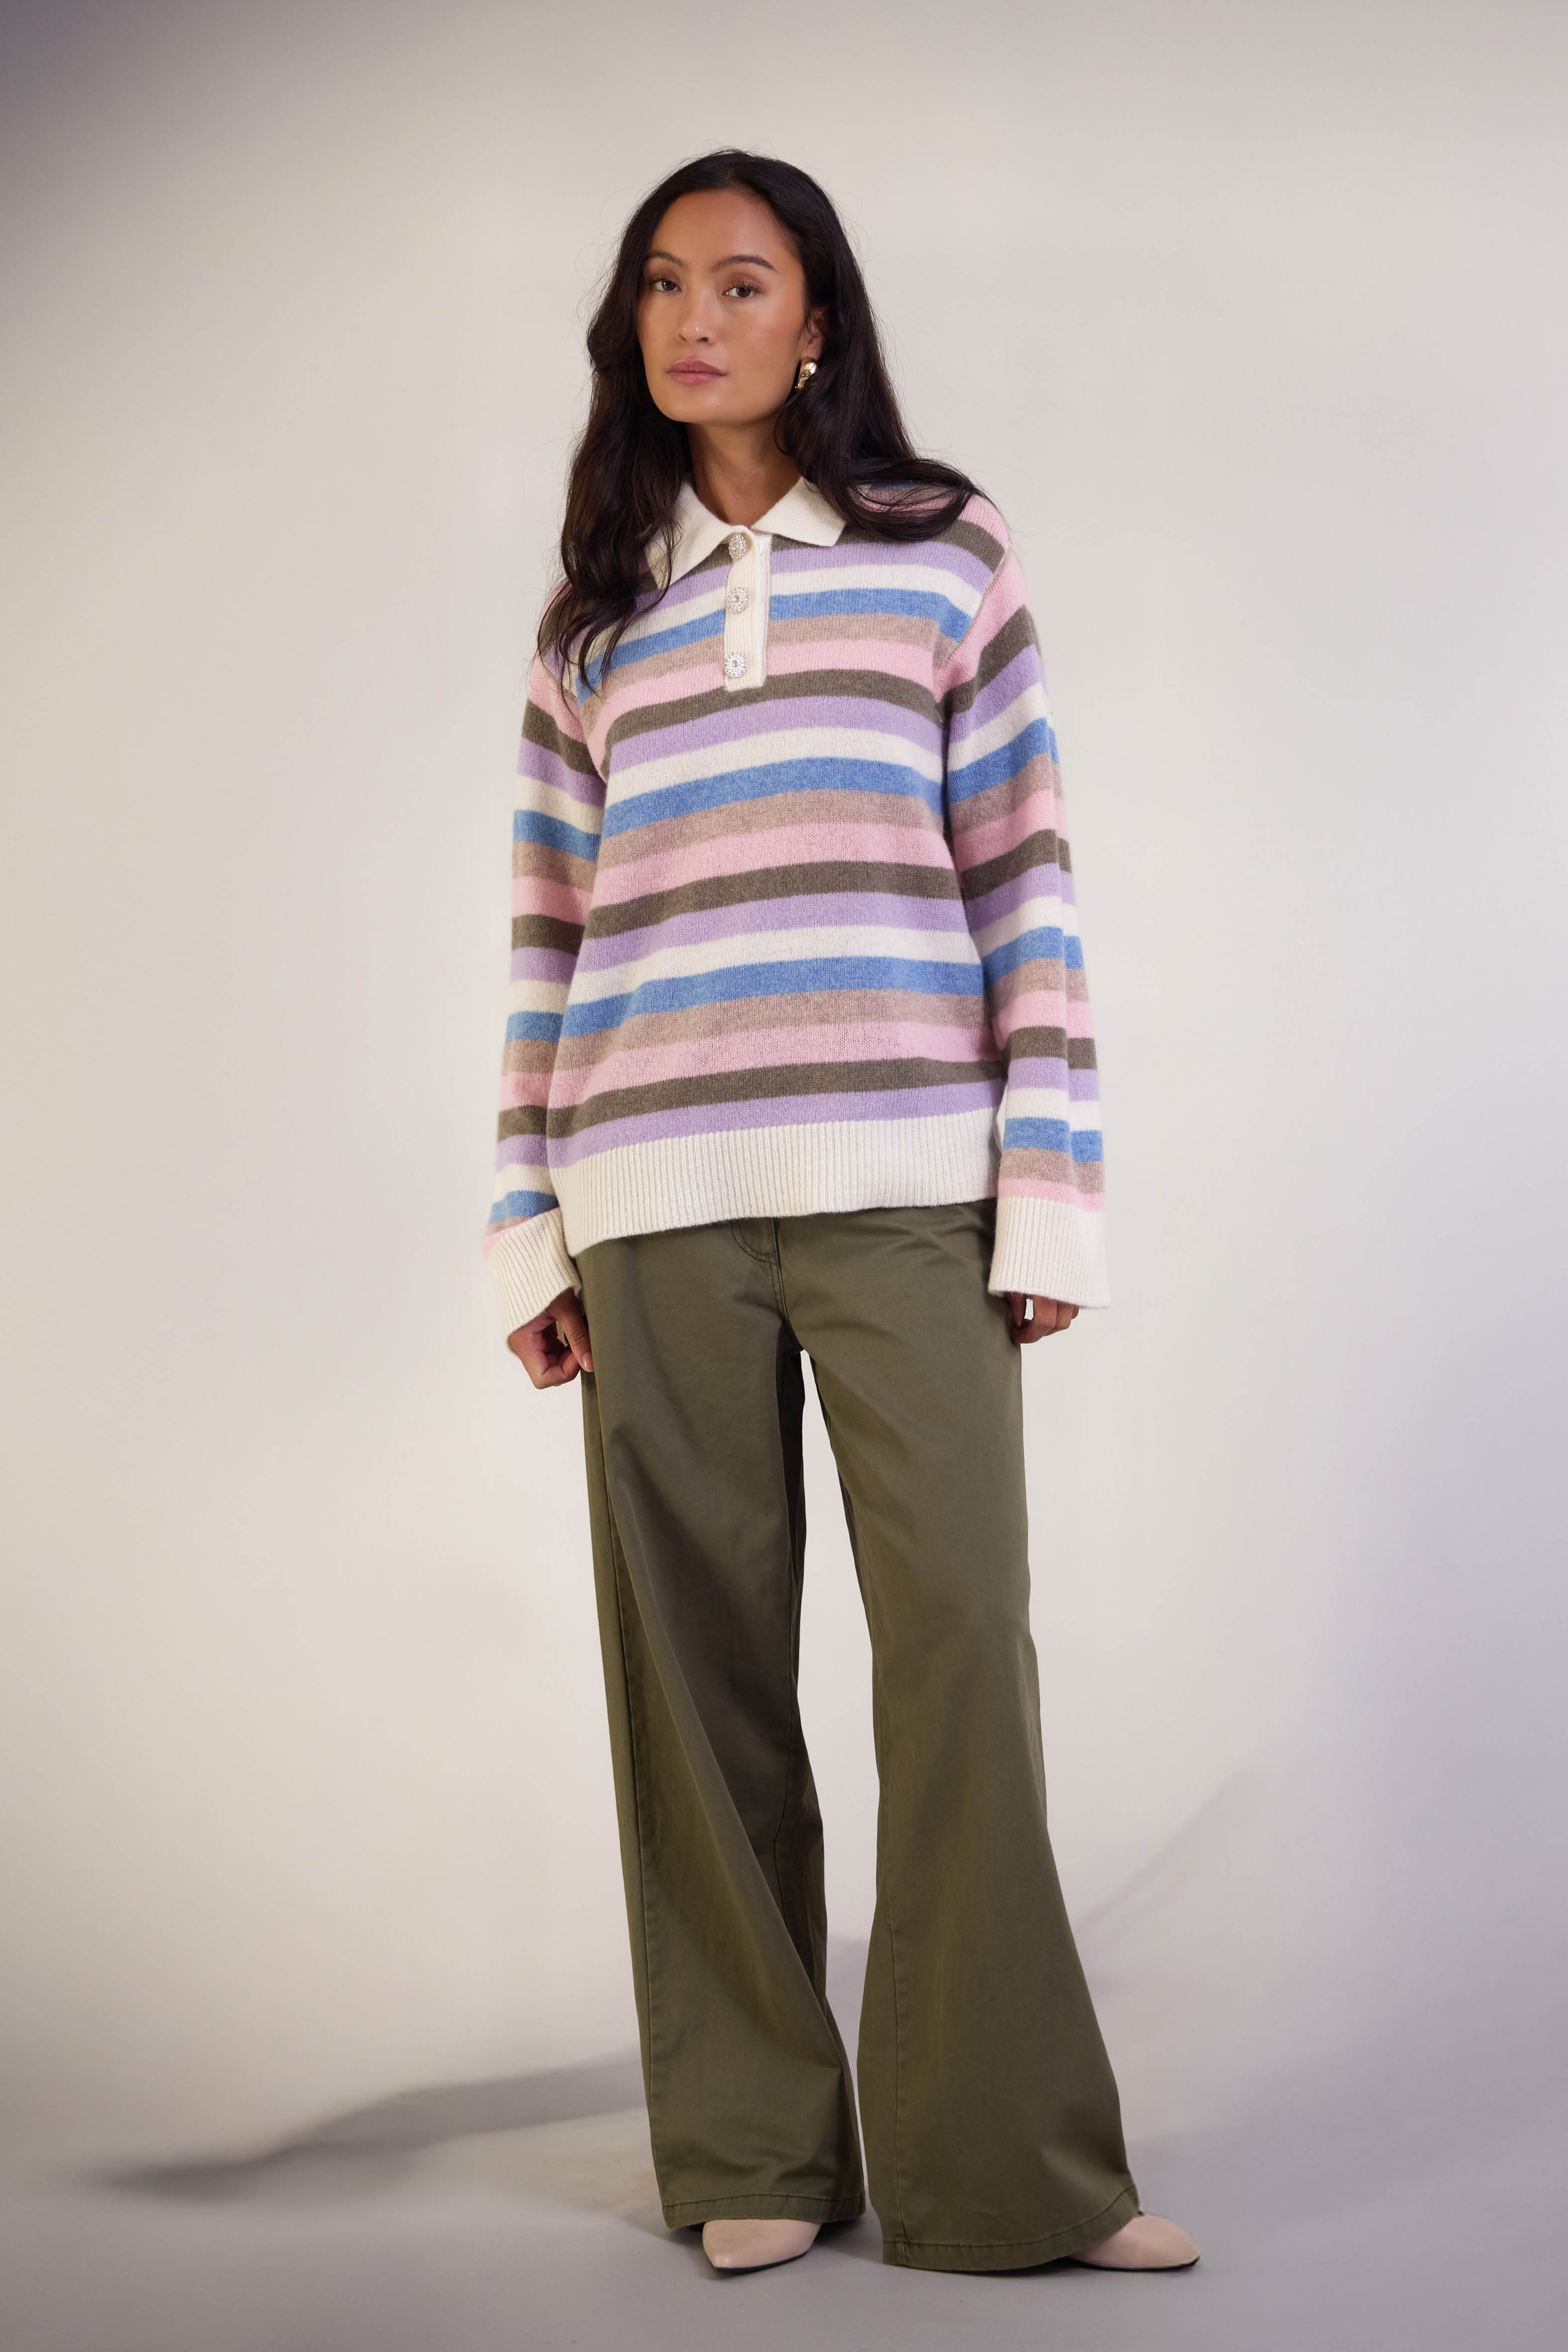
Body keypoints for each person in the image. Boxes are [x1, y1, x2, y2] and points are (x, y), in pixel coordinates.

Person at [482, 148, 1199, 2281]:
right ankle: (753, 2146)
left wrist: (1045, 1193)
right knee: (695, 1682)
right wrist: (527, 1218)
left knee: (960, 1647)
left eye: (740, 280)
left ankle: (1008, 2171)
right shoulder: (593, 621)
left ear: (818, 324)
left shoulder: (939, 558)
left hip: (905, 1190)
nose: (693, 318)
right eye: (660, 283)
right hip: (647, 1196)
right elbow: (545, 936)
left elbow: (1025, 882)